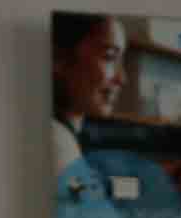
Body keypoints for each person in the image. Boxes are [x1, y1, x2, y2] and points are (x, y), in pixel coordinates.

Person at [51, 13, 128, 175]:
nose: (122, 78)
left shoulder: (68, 138)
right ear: (59, 58)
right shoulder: (57, 142)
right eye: (109, 57)